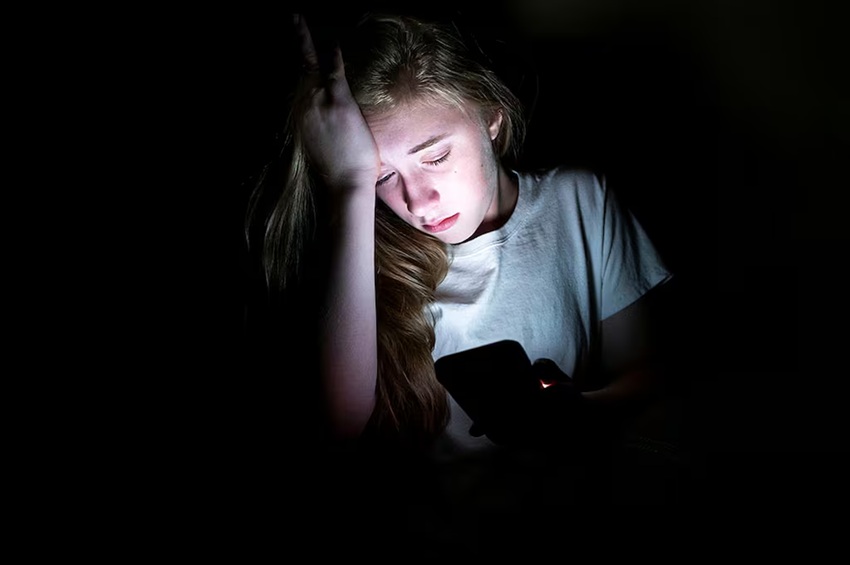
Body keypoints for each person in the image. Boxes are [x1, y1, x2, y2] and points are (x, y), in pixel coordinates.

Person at [244, 10, 679, 522]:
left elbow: (645, 373)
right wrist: (351, 185)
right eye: (384, 177)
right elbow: (339, 425)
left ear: (491, 119)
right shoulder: (359, 257)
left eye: (434, 157)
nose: (418, 202)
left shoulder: (581, 201)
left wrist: (576, 412)